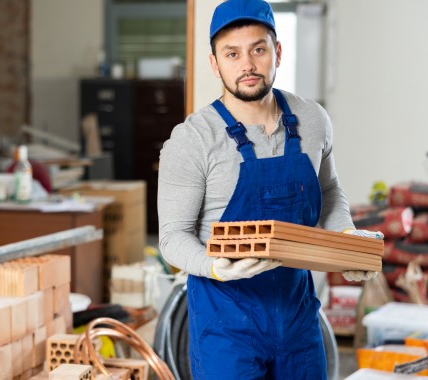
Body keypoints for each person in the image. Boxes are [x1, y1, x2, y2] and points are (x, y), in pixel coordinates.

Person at [157, 0, 383, 378]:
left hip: (297, 320)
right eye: (232, 54)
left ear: (277, 52)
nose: (246, 64)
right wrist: (217, 267)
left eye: (258, 49)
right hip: (226, 326)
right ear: (215, 63)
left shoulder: (312, 120)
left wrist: (347, 244)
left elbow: (328, 191)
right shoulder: (192, 140)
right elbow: (172, 238)